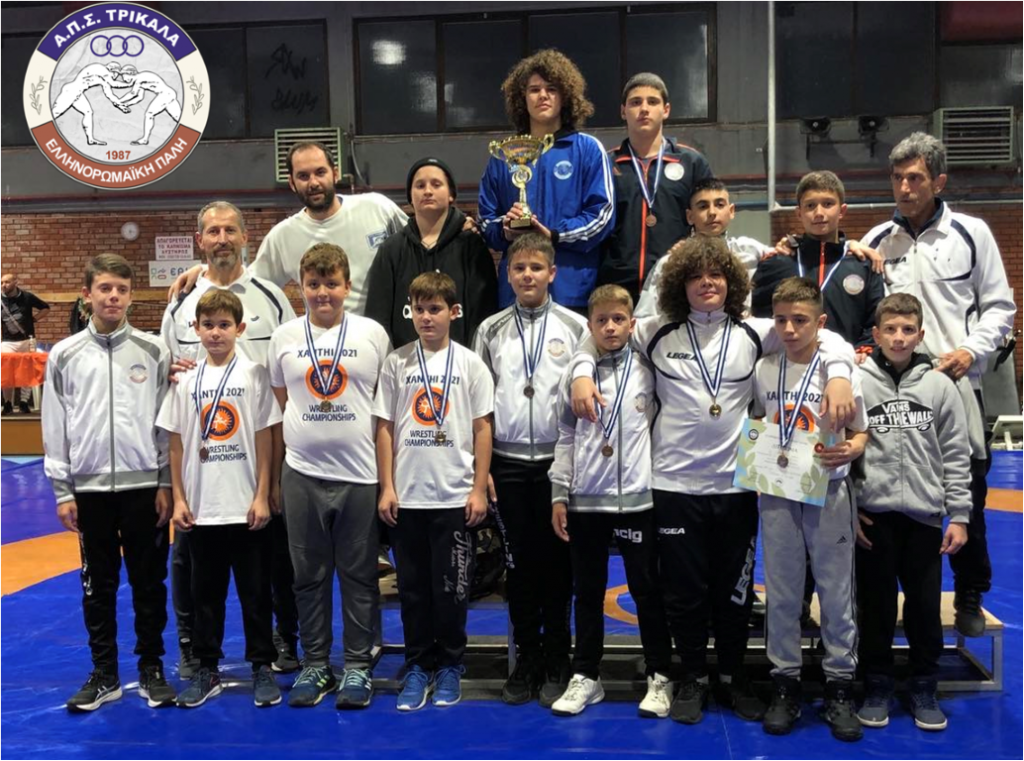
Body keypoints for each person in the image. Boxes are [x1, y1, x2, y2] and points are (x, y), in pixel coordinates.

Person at [569, 236, 858, 726]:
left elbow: (823, 336)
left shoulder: (755, 331)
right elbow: (595, 334)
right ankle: (692, 677)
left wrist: (839, 377)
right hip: (673, 485)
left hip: (736, 486)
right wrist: (580, 372)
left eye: (716, 275)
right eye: (696, 276)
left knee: (734, 591)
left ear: (732, 283)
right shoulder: (655, 330)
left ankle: (732, 675)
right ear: (680, 285)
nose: (707, 283)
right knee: (683, 592)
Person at [862, 132, 1016, 637]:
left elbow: (1000, 307)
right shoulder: (877, 240)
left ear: (939, 181)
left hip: (957, 386)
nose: (904, 188)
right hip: (892, 388)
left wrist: (969, 351)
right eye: (897, 178)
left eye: (915, 178)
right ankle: (885, 596)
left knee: (967, 492)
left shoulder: (971, 233)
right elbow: (864, 311)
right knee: (890, 490)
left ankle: (969, 592)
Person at [161, 202, 299, 679]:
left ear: (245, 237)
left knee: (271, 557)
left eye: (230, 230)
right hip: (203, 463)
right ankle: (192, 645)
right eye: (212, 231)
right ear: (199, 240)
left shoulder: (271, 297)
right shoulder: (181, 302)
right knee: (191, 562)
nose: (221, 239)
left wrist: (275, 470)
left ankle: (282, 638)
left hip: (262, 448)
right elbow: (166, 369)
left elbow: (290, 363)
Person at [43, 254, 175, 712]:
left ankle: (152, 667)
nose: (113, 296)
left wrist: (166, 483)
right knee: (97, 586)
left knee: (149, 583)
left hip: (144, 489)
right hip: (90, 491)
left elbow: (165, 423)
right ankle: (105, 673)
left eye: (121, 289)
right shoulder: (64, 355)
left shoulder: (154, 350)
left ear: (131, 296)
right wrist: (63, 490)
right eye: (104, 288)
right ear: (87, 295)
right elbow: (54, 424)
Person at [268, 243, 391, 709]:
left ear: (347, 286)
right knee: (307, 576)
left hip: (359, 473)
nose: (323, 293)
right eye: (314, 284)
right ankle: (316, 663)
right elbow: (282, 400)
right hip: (301, 472)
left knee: (359, 576)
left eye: (331, 284)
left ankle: (357, 665)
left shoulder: (372, 334)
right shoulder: (284, 336)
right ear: (301, 287)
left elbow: (384, 403)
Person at [750, 278, 868, 743]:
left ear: (820, 322)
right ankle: (785, 683)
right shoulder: (764, 369)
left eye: (799, 320)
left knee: (836, 593)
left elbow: (861, 430)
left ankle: (840, 685)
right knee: (781, 593)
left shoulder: (840, 369)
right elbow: (756, 420)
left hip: (830, 488)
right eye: (781, 320)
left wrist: (853, 448)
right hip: (778, 491)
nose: (789, 329)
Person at [472, 233, 587, 707]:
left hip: (558, 465)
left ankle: (559, 657)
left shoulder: (578, 327)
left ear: (552, 273)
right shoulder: (490, 330)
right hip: (509, 464)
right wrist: (482, 468)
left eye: (536, 267)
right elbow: (478, 406)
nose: (527, 275)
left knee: (558, 568)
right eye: (518, 268)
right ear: (508, 273)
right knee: (518, 568)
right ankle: (527, 659)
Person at [548, 285, 674, 718]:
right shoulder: (575, 373)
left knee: (646, 590)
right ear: (590, 325)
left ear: (632, 322)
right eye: (601, 320)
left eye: (618, 319)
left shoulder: (649, 368)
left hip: (639, 499)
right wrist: (559, 492)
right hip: (586, 501)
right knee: (587, 592)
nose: (610, 327)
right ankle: (586, 674)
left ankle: (660, 673)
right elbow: (565, 435)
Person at [374, 272, 494, 711]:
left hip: (454, 496)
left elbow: (483, 429)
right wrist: (387, 487)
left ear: (453, 312)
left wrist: (478, 489)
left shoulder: (470, 364)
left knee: (452, 588)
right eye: (419, 310)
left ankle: (450, 665)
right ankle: (418, 664)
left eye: (435, 309)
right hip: (408, 497)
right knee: (412, 589)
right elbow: (384, 428)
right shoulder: (397, 363)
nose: (426, 318)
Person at [157, 289, 283, 708]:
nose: (215, 333)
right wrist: (179, 499)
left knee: (256, 593)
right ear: (195, 328)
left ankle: (262, 665)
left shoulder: (254, 375)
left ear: (240, 328)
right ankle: (207, 666)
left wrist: (263, 494)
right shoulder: (185, 380)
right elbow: (176, 443)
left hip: (246, 505)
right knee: (204, 596)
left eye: (224, 325)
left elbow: (265, 438)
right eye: (208, 325)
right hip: (202, 506)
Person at [854, 293, 970, 733]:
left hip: (924, 517)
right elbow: (844, 449)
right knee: (876, 607)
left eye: (907, 330)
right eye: (890, 329)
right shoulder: (858, 382)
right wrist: (850, 509)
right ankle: (877, 684)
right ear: (876, 334)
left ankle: (924, 684)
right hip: (873, 518)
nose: (899, 337)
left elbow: (956, 453)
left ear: (920, 335)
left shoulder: (940, 386)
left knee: (923, 607)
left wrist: (959, 514)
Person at [170, 142, 407, 318]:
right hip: (324, 346)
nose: (313, 182)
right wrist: (206, 270)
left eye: (320, 172)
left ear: (335, 174)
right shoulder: (283, 236)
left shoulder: (378, 207)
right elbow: (249, 282)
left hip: (387, 336)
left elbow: (419, 243)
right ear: (292, 183)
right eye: (303, 176)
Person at [479, 49, 614, 312]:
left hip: (571, 291)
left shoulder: (587, 149)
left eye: (552, 89)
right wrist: (505, 229)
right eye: (534, 89)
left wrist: (554, 234)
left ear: (565, 96)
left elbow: (602, 216)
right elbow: (486, 220)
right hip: (515, 293)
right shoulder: (504, 155)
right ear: (522, 98)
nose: (543, 95)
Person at [598, 72, 713, 304]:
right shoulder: (604, 164)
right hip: (615, 286)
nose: (644, 109)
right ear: (623, 111)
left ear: (666, 110)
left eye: (652, 101)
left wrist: (694, 246)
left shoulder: (691, 162)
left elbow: (712, 218)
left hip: (674, 282)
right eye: (635, 102)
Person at [366, 157, 497, 348]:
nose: (427, 191)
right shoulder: (391, 249)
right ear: (410, 197)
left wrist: (470, 360)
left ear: (451, 194)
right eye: (420, 185)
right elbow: (378, 319)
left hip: (459, 361)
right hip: (405, 362)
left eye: (436, 184)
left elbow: (483, 316)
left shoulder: (472, 246)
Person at [752, 171, 884, 351]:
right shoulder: (775, 263)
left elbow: (875, 321)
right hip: (788, 364)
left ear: (842, 211)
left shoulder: (863, 265)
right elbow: (760, 321)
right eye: (810, 206)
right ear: (799, 213)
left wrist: (863, 351)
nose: (819, 213)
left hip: (848, 364)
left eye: (828, 204)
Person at [635, 178, 770, 318]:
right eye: (703, 206)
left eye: (719, 205)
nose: (712, 212)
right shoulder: (671, 262)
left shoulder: (750, 250)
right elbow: (644, 317)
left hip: (741, 329)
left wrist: (783, 246)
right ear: (690, 216)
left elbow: (781, 256)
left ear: (731, 211)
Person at [1, 273, 49, 414]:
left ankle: (24, 402)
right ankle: (8, 403)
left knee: (27, 371)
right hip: (7, 341)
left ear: (16, 282)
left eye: (7, 282)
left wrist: (34, 319)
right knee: (6, 371)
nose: (4, 285)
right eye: (2, 282)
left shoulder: (27, 297)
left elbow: (45, 308)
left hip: (27, 339)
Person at [50, 62, 131, 145]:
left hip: (78, 93)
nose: (116, 76)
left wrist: (121, 106)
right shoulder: (101, 69)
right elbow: (113, 83)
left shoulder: (103, 79)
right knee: (55, 113)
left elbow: (110, 95)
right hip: (71, 91)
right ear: (112, 70)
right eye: (116, 73)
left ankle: (90, 139)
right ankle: (42, 127)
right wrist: (130, 84)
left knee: (88, 112)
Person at [114, 64, 183, 145]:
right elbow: (139, 97)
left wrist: (119, 101)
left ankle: (145, 139)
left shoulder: (140, 79)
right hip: (169, 94)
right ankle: (190, 133)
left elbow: (133, 93)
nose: (123, 79)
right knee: (178, 118)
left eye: (124, 76)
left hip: (165, 94)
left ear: (130, 73)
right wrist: (127, 104)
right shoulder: (139, 81)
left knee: (149, 114)